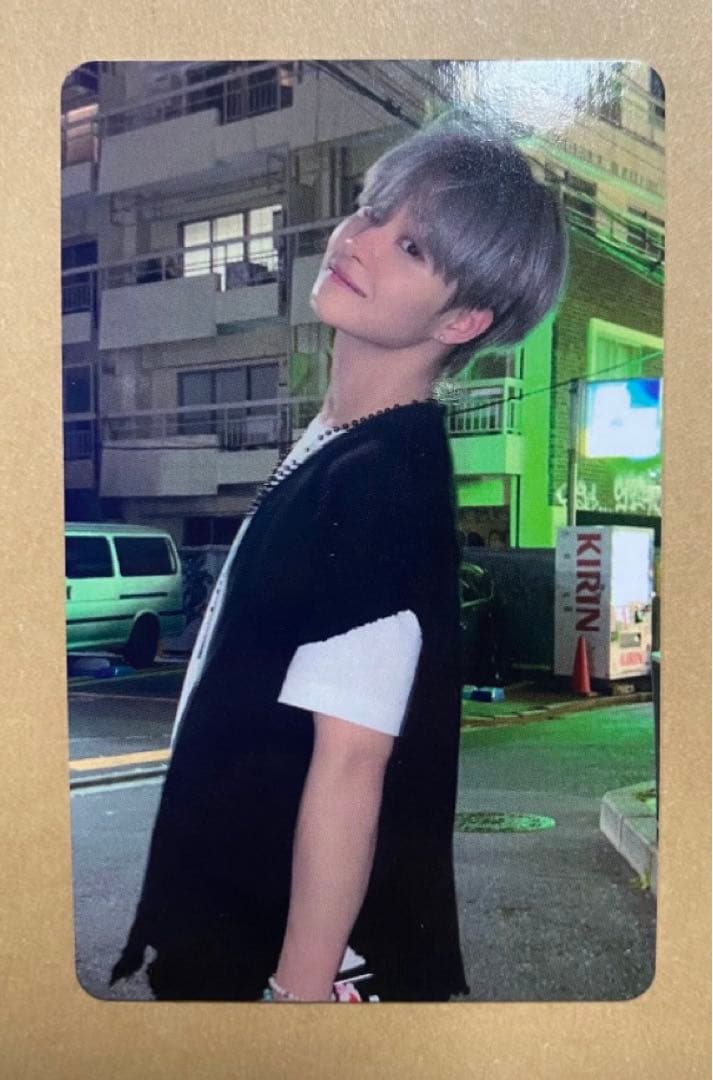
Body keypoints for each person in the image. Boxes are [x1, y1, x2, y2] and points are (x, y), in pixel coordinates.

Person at [110, 111, 569, 1003]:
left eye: (410, 246)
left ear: (464, 317)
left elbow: (351, 765)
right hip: (237, 910)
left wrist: (298, 995)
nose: (358, 240)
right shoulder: (343, 441)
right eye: (371, 210)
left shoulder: (381, 483)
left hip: (269, 952)